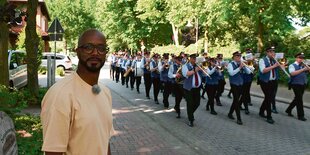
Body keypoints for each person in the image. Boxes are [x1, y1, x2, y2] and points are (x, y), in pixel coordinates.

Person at [41, 29, 114, 155]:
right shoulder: (60, 95)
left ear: (105, 53)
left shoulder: (105, 92)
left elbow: (104, 141)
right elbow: (53, 152)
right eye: (88, 47)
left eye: (101, 48)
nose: (95, 53)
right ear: (78, 51)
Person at [258, 46, 283, 124]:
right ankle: (269, 117)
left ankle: (261, 111)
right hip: (265, 82)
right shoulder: (262, 60)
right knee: (269, 98)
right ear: (267, 52)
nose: (273, 53)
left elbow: (279, 69)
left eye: (273, 52)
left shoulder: (274, 60)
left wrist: (281, 66)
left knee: (269, 97)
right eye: (271, 52)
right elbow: (263, 70)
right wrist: (274, 66)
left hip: (274, 81)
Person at [227, 51, 251, 125]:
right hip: (234, 84)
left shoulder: (241, 63)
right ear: (234, 57)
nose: (239, 58)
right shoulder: (230, 64)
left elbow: (249, 72)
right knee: (237, 101)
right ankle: (239, 118)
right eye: (237, 56)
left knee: (236, 100)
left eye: (240, 56)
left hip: (241, 84)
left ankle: (230, 113)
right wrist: (240, 67)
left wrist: (245, 67)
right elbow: (231, 73)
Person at [286, 52, 309, 121]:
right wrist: (303, 69)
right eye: (300, 58)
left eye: (302, 58)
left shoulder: (303, 65)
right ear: (296, 58)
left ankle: (288, 110)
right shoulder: (292, 65)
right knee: (299, 99)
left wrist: (307, 67)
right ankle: (301, 115)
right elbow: (292, 73)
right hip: (295, 84)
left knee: (297, 98)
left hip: (303, 84)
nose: (301, 59)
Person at [182, 53, 203, 127]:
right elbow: (186, 74)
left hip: (197, 88)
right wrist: (195, 70)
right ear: (190, 59)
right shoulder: (185, 66)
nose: (195, 60)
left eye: (196, 59)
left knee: (197, 103)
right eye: (193, 58)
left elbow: (203, 74)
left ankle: (190, 113)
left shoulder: (198, 66)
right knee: (190, 103)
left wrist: (202, 69)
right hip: (188, 88)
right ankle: (191, 119)